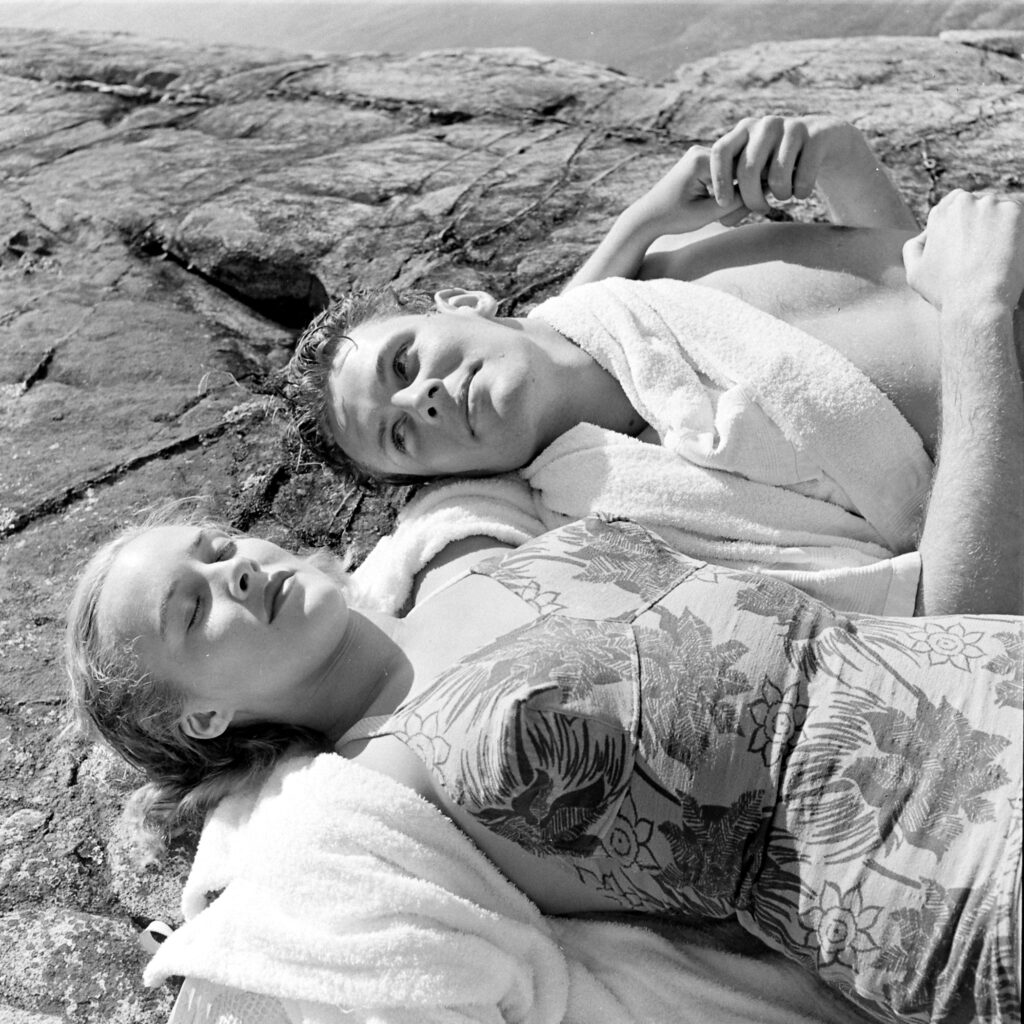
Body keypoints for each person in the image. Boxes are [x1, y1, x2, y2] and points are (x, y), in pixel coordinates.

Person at [67, 503, 1021, 1024]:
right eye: (191, 611)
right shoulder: (365, 794)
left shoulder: (467, 554)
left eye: (219, 545)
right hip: (954, 883)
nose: (231, 570)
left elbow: (526, 353)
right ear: (204, 718)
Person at [284, 116, 1023, 618]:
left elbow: (897, 270)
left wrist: (841, 159)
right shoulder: (651, 516)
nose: (425, 399)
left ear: (464, 302)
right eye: (403, 436)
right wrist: (978, 320)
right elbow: (955, 619)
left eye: (404, 362)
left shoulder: (660, 281)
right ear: (445, 480)